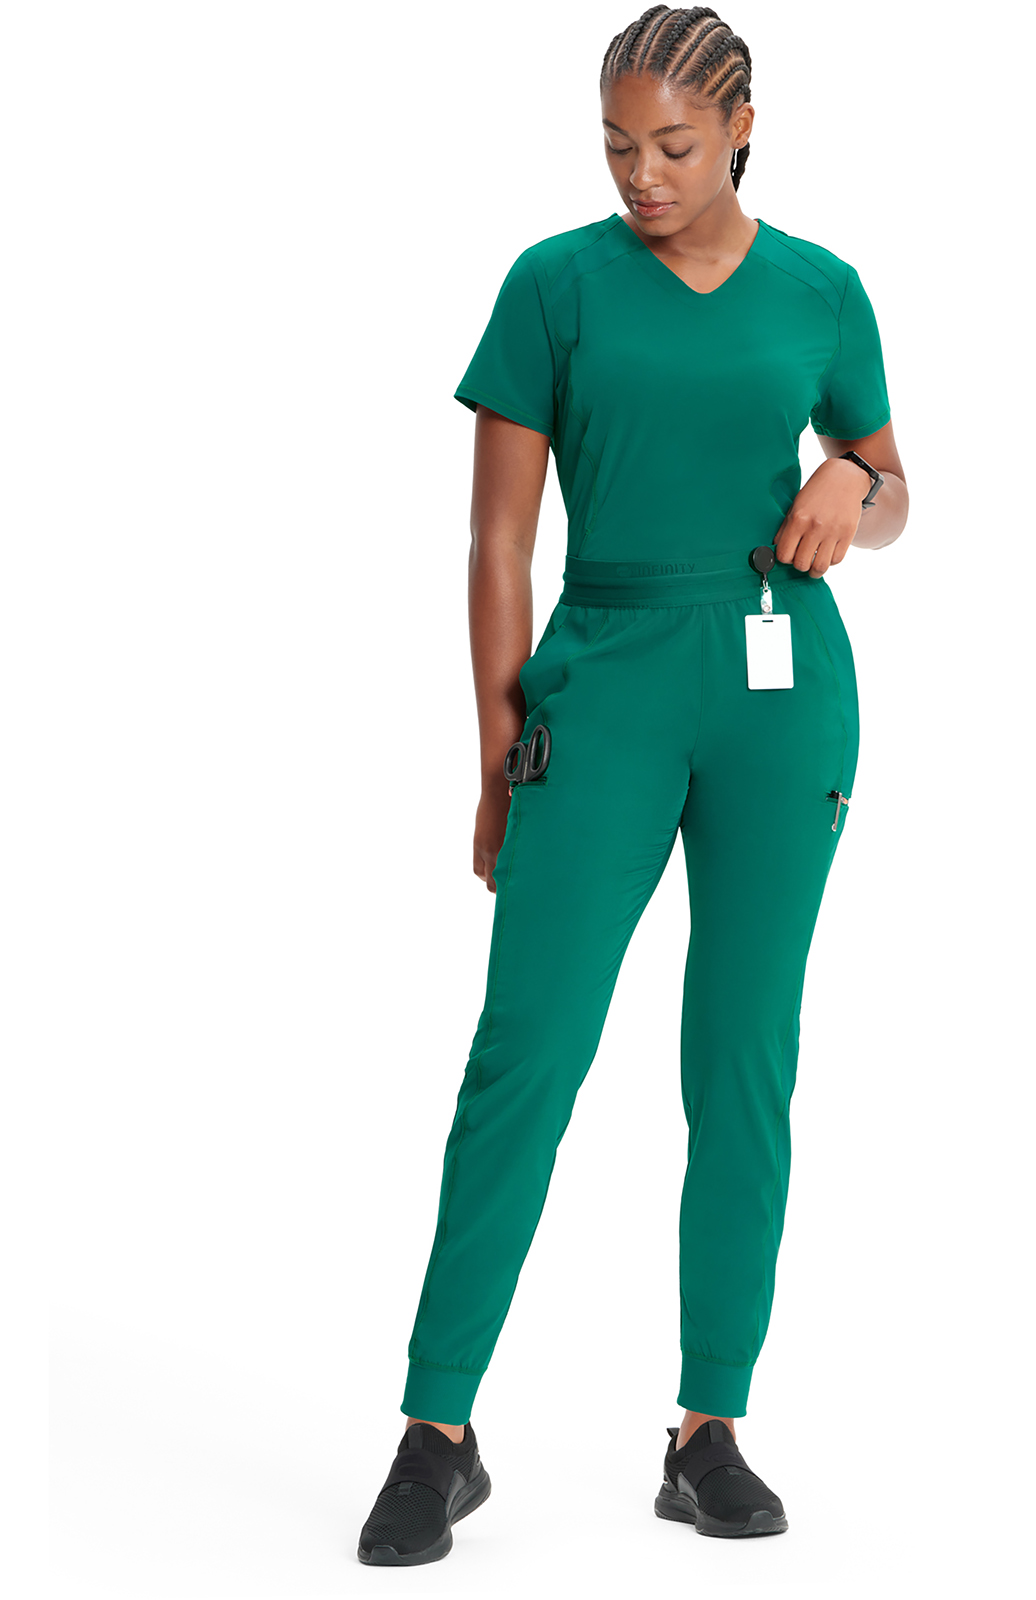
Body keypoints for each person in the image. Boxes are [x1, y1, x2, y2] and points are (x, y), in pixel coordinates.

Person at [357, 3, 908, 1565]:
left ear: (743, 130)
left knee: (744, 1059)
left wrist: (851, 480)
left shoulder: (823, 289)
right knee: (525, 1056)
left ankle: (708, 1424)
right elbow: (498, 542)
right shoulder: (555, 284)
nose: (641, 175)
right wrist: (495, 763)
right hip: (600, 680)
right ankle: (438, 1429)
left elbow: (894, 491)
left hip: (780, 696)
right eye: (615, 145)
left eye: (672, 144)